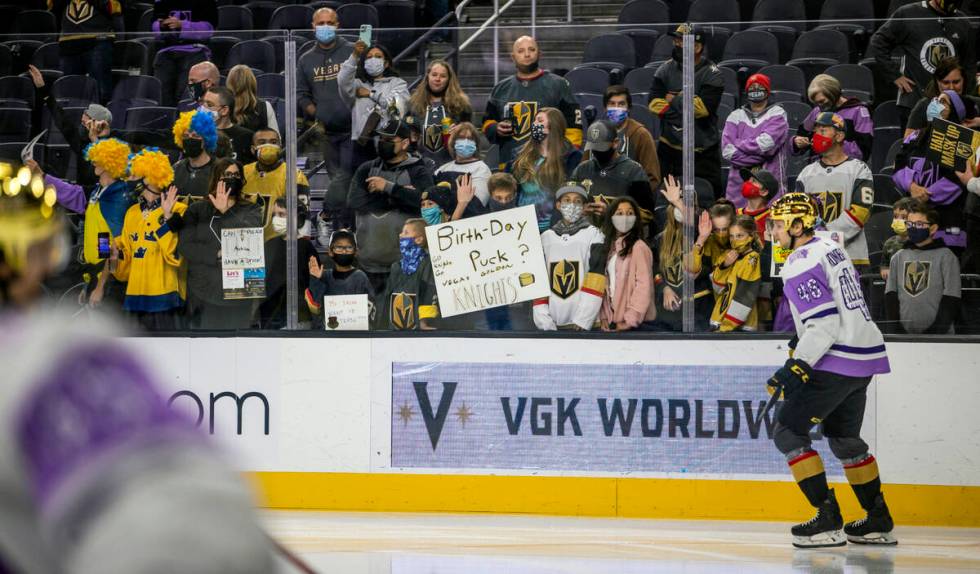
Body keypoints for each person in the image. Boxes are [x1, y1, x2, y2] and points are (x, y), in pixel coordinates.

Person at [0, 171, 275, 573]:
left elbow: (172, 256)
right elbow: (196, 537)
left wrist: (161, 226)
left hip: (160, 298)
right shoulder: (55, 362)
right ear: (36, 256)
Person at [766, 192, 894, 548]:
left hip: (835, 358)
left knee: (788, 431)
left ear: (797, 225)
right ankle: (878, 519)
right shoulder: (830, 245)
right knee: (844, 439)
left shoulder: (800, 261)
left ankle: (827, 520)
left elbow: (823, 325)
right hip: (863, 357)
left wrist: (796, 366)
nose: (773, 232)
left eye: (778, 224)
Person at [31, 138, 134, 309]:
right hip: (95, 272)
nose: (93, 162)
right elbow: (73, 194)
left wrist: (101, 287)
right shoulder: (98, 192)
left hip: (111, 279)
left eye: (98, 158)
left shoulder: (116, 197)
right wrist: (88, 285)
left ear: (110, 163)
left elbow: (114, 249)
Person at [169, 157, 262, 330]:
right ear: (216, 177)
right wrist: (216, 254)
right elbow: (185, 246)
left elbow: (250, 243)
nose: (231, 178)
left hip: (239, 294)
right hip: (203, 293)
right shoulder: (197, 209)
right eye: (227, 174)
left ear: (242, 179)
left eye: (236, 174)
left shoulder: (252, 210)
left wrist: (225, 211)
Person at [348, 119, 433, 293]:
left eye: (389, 140)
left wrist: (387, 187)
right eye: (381, 139)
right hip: (368, 262)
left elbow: (422, 202)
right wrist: (400, 195)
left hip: (406, 263)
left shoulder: (419, 170)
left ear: (405, 143)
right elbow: (354, 201)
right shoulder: (367, 168)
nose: (383, 144)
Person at [112, 149, 187, 331]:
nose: (130, 179)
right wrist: (112, 257)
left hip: (166, 298)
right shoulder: (131, 213)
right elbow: (122, 272)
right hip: (135, 297)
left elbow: (177, 258)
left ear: (152, 177)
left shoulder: (180, 209)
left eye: (135, 175)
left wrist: (168, 218)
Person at [648, 24, 725, 197]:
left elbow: (702, 109)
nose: (676, 44)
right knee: (666, 199)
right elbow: (653, 103)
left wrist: (673, 98)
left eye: (681, 41)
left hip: (703, 152)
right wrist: (685, 105)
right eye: (675, 40)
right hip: (669, 150)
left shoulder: (712, 73)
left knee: (709, 199)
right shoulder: (664, 69)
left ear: (697, 47)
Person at [869, 0, 975, 124]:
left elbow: (969, 64)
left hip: (951, 105)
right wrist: (895, 75)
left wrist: (964, 94)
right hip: (913, 101)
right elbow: (878, 42)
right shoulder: (908, 14)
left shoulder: (962, 22)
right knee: (912, 142)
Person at [483, 36, 583, 167]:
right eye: (520, 51)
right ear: (512, 57)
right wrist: (495, 128)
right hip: (509, 164)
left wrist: (566, 157)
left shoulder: (559, 84)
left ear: (539, 54)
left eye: (531, 49)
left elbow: (574, 127)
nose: (526, 54)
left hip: (550, 165)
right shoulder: (500, 89)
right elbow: (487, 122)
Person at [893, 91, 973, 253]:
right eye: (936, 99)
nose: (936, 103)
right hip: (914, 220)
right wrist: (912, 186)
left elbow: (957, 179)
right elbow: (899, 165)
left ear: (954, 111)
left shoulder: (963, 142)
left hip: (948, 223)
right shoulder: (915, 137)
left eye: (943, 102)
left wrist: (926, 195)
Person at [795, 112, 875, 268]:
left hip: (851, 257)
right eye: (816, 131)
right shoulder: (805, 173)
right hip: (813, 257)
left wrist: (826, 233)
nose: (817, 135)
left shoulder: (859, 169)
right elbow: (798, 213)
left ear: (839, 136)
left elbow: (861, 210)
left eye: (823, 131)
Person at [533, 182, 606, 331]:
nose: (572, 204)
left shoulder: (595, 235)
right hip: (552, 323)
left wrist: (583, 319)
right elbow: (538, 281)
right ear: (558, 205)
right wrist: (543, 320)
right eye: (566, 200)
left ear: (584, 207)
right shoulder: (545, 237)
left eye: (578, 201)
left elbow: (596, 277)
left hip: (584, 325)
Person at [28, 65, 115, 187]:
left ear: (97, 123)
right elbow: (62, 121)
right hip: (84, 196)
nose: (82, 121)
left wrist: (96, 139)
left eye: (86, 121)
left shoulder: (113, 147)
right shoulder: (81, 142)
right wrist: (43, 89)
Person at [885, 201, 961, 334]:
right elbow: (891, 296)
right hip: (904, 339)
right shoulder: (897, 257)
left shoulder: (947, 257)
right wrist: (897, 331)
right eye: (910, 223)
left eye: (919, 224)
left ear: (932, 229)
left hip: (941, 340)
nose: (913, 227)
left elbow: (951, 298)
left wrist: (935, 333)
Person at [298, 7, 355, 175]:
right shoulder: (305, 59)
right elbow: (301, 93)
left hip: (354, 131)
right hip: (327, 134)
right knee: (336, 182)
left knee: (353, 179)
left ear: (337, 25)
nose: (325, 26)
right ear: (313, 26)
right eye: (321, 23)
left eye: (330, 23)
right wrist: (318, 114)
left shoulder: (352, 50)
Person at [571, 119, 656, 228]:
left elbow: (647, 215)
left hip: (621, 238)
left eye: (601, 147)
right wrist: (579, 211)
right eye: (594, 147)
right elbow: (567, 205)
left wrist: (613, 212)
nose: (597, 151)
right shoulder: (582, 170)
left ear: (616, 143)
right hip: (586, 237)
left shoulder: (634, 171)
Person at [509, 107, 583, 232]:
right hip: (522, 227)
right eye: (534, 121)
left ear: (553, 126)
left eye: (539, 121)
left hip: (556, 227)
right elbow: (510, 187)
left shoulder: (572, 157)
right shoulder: (519, 154)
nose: (534, 124)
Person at [338, 41, 410, 168]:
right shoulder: (357, 84)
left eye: (378, 56)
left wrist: (371, 94)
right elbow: (342, 81)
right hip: (362, 144)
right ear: (364, 62)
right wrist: (354, 56)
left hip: (390, 143)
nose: (373, 60)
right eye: (369, 57)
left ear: (386, 63)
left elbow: (398, 108)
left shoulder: (398, 83)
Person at [722, 74, 789, 207]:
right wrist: (761, 155)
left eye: (760, 86)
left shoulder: (778, 113)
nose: (756, 89)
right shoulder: (735, 116)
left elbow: (767, 145)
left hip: (770, 188)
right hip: (737, 190)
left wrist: (739, 143)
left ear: (767, 91)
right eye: (752, 87)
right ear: (747, 91)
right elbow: (727, 152)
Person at [259, 198, 319, 329]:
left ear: (297, 218)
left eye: (281, 214)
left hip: (298, 316)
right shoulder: (269, 245)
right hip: (269, 316)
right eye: (274, 214)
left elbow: (314, 285)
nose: (276, 219)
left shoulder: (306, 247)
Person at [242, 128, 311, 240]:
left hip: (280, 246)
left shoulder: (294, 175)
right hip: (246, 244)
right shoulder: (243, 172)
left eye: (273, 142)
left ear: (280, 146)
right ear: (252, 149)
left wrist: (301, 246)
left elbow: (303, 221)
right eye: (262, 142)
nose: (268, 146)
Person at [600, 197, 654, 331]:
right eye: (619, 213)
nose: (625, 217)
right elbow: (606, 285)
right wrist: (604, 317)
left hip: (633, 324)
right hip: (614, 322)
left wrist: (631, 319)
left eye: (630, 213)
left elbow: (643, 285)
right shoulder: (610, 248)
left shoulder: (639, 247)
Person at [50, 0, 120, 104]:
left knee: (100, 91)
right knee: (68, 92)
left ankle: (101, 118)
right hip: (68, 41)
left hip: (98, 39)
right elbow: (51, 6)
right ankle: (71, 118)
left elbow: (114, 7)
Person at [151, 0, 218, 107]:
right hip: (166, 52)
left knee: (191, 99)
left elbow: (209, 29)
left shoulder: (207, 2)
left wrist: (182, 25)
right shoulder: (160, 2)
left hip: (196, 52)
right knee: (162, 98)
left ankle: (191, 120)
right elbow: (154, 27)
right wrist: (162, 26)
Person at [375, 219, 439, 330]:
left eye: (406, 232)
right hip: (394, 324)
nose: (400, 235)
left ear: (419, 239)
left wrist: (423, 321)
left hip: (418, 326)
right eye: (401, 232)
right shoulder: (396, 266)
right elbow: (388, 295)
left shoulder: (427, 263)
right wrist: (382, 323)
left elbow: (429, 291)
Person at [794, 74, 873, 162]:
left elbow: (864, 149)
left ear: (833, 93)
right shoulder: (817, 111)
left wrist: (830, 145)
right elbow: (802, 134)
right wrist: (797, 142)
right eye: (816, 103)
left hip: (848, 168)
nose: (820, 106)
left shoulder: (858, 111)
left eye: (822, 101)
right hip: (818, 168)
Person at [408, 59, 474, 165]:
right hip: (421, 165)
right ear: (427, 77)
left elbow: (471, 136)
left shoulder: (462, 105)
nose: (438, 79)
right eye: (434, 75)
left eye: (443, 76)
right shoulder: (413, 104)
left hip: (452, 163)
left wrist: (460, 132)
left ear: (449, 80)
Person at [306, 229, 375, 330]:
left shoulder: (360, 278)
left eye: (349, 247)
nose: (344, 251)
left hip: (355, 337)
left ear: (356, 252)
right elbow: (314, 310)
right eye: (338, 247)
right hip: (327, 338)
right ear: (330, 251)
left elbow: (370, 313)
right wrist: (316, 280)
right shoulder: (324, 276)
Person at [599, 85, 661, 194]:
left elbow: (653, 178)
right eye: (612, 104)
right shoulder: (597, 132)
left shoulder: (641, 135)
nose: (616, 108)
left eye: (621, 104)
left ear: (628, 108)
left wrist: (633, 199)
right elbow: (585, 170)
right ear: (605, 107)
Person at [709, 214, 763, 331]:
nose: (735, 241)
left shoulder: (752, 259)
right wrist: (725, 266)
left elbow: (744, 297)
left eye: (740, 236)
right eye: (732, 236)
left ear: (751, 236)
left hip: (739, 326)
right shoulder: (727, 256)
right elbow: (717, 287)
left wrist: (726, 327)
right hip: (720, 321)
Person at [904, 56, 980, 137]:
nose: (951, 87)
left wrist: (978, 122)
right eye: (946, 83)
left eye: (956, 82)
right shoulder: (924, 105)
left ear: (963, 80)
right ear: (937, 82)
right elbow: (908, 140)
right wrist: (936, 124)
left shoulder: (976, 103)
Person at [434, 121, 492, 209]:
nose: (465, 142)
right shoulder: (443, 169)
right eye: (461, 138)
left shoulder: (482, 169)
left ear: (476, 144)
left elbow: (478, 204)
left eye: (470, 138)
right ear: (453, 142)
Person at [171, 109, 219, 202]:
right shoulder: (176, 169)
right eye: (185, 136)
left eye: (195, 136)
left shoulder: (218, 169)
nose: (190, 139)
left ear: (206, 139)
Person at [202, 86, 256, 164]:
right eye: (203, 103)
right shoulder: (197, 134)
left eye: (209, 105)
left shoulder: (246, 136)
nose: (203, 108)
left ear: (224, 110)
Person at [227, 64, 279, 135]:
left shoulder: (222, 107)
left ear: (229, 83)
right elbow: (276, 140)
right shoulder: (265, 107)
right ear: (253, 82)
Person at [880, 197, 916, 280]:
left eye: (903, 217)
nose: (898, 220)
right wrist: (884, 269)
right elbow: (884, 263)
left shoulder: (918, 243)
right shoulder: (889, 243)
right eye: (895, 216)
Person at [737, 168, 779, 237]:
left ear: (764, 192)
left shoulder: (772, 218)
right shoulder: (736, 214)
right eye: (748, 180)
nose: (747, 183)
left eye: (753, 181)